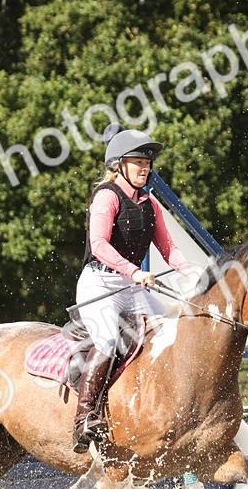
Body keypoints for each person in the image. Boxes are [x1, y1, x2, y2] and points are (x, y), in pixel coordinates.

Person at [72, 122, 195, 453]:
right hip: (100, 283)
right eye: (138, 161)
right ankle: (84, 418)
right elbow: (98, 244)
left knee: (170, 331)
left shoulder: (151, 204)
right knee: (108, 340)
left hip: (131, 288)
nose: (145, 167)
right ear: (119, 165)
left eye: (147, 162)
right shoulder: (106, 197)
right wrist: (132, 270)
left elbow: (168, 249)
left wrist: (189, 270)